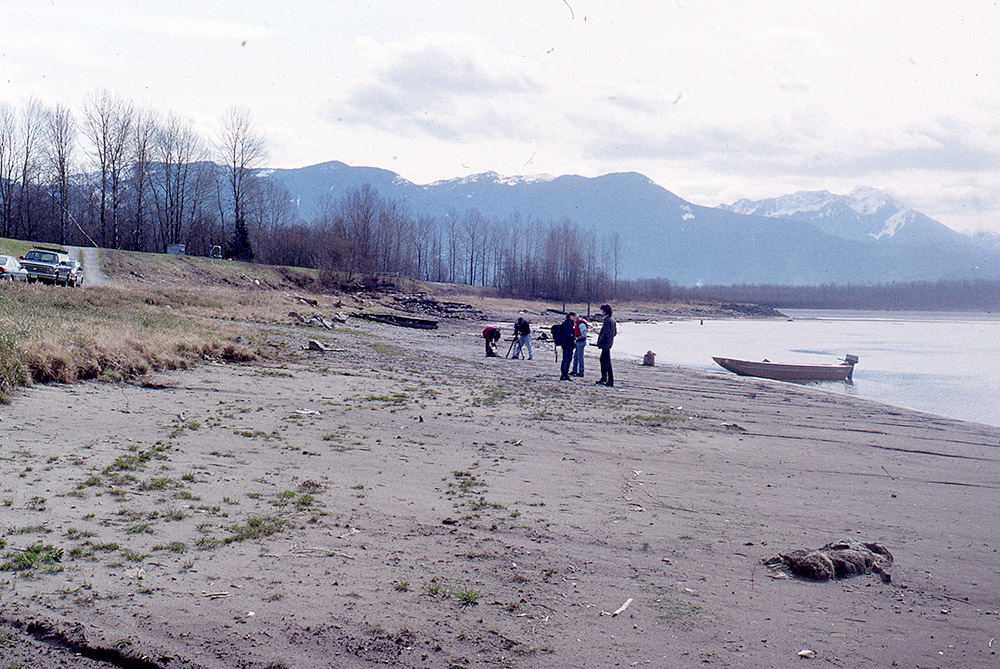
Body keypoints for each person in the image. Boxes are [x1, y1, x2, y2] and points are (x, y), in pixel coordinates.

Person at [596, 304, 616, 387]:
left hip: (606, 344)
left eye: (602, 311)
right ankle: (605, 378)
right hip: (609, 343)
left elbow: (605, 333)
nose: (602, 312)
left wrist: (600, 341)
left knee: (606, 361)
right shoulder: (612, 320)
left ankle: (608, 379)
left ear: (605, 311)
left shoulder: (608, 320)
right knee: (604, 360)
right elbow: (614, 333)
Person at [557, 313, 576, 380]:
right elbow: (567, 334)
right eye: (574, 316)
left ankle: (564, 374)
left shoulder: (566, 323)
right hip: (568, 343)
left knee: (565, 358)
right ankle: (565, 374)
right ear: (570, 316)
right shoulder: (569, 324)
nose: (575, 318)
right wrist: (573, 340)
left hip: (564, 343)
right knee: (567, 359)